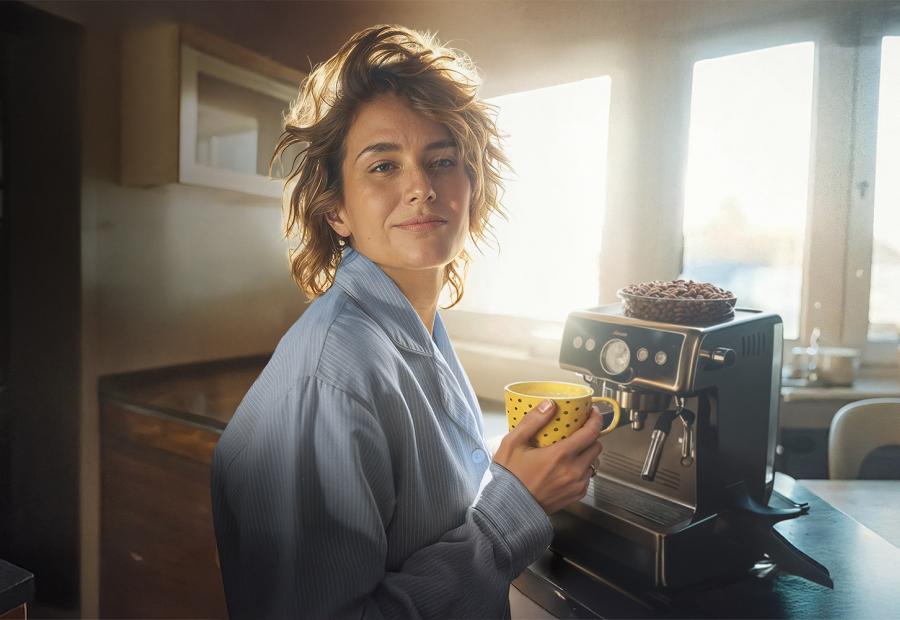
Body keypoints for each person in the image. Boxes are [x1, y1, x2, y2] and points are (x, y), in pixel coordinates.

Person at [211, 24, 606, 620]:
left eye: (441, 160)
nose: (421, 187)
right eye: (383, 166)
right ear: (337, 208)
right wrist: (515, 506)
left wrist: (511, 473)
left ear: (472, 187)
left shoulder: (416, 335)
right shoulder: (330, 380)